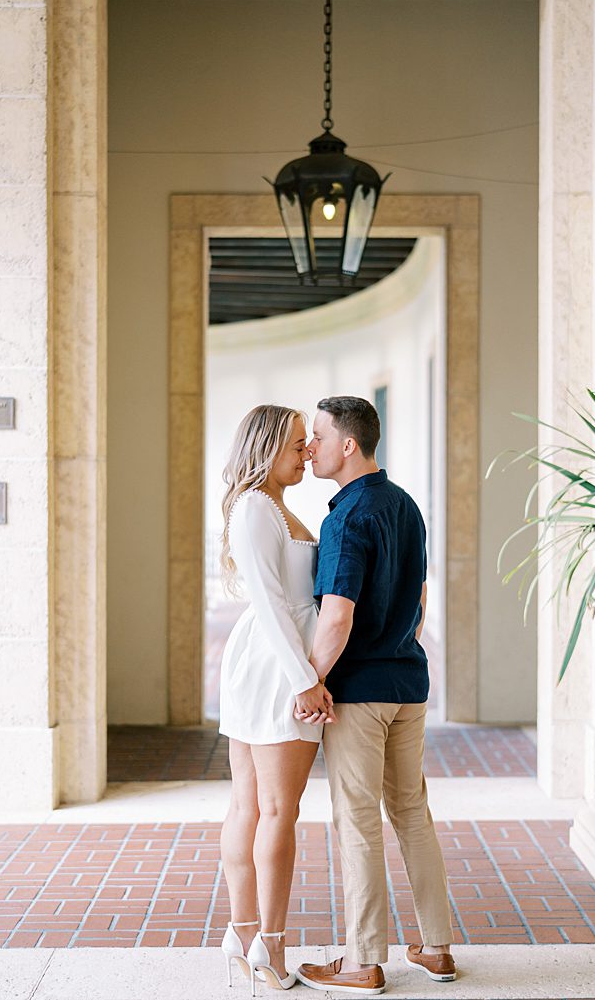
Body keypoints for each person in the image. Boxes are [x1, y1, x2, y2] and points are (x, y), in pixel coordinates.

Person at [292, 396, 458, 995]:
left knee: (357, 821)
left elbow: (335, 618)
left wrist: (310, 680)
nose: (309, 446)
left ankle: (363, 960)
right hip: (409, 686)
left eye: (317, 435)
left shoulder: (345, 520)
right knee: (412, 812)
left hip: (358, 694)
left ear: (348, 446)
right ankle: (436, 947)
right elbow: (416, 604)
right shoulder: (406, 506)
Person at [215, 404, 335, 992]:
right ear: (265, 447)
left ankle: (243, 936)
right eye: (296, 443)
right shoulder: (257, 508)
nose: (307, 452)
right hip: (275, 667)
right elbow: (268, 601)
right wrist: (304, 679)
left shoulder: (275, 506)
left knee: (253, 807)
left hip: (268, 662)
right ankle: (272, 946)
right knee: (272, 809)